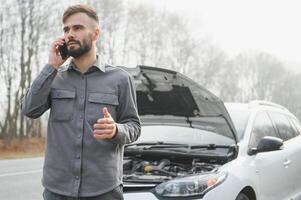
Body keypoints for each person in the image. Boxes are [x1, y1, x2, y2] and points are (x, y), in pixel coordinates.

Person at [21, 4, 141, 200]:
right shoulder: (53, 77)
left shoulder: (120, 79)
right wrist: (51, 66)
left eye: (77, 28)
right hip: (57, 190)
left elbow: (134, 127)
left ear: (95, 33)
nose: (69, 34)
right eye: (66, 29)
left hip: (104, 191)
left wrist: (116, 130)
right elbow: (29, 109)